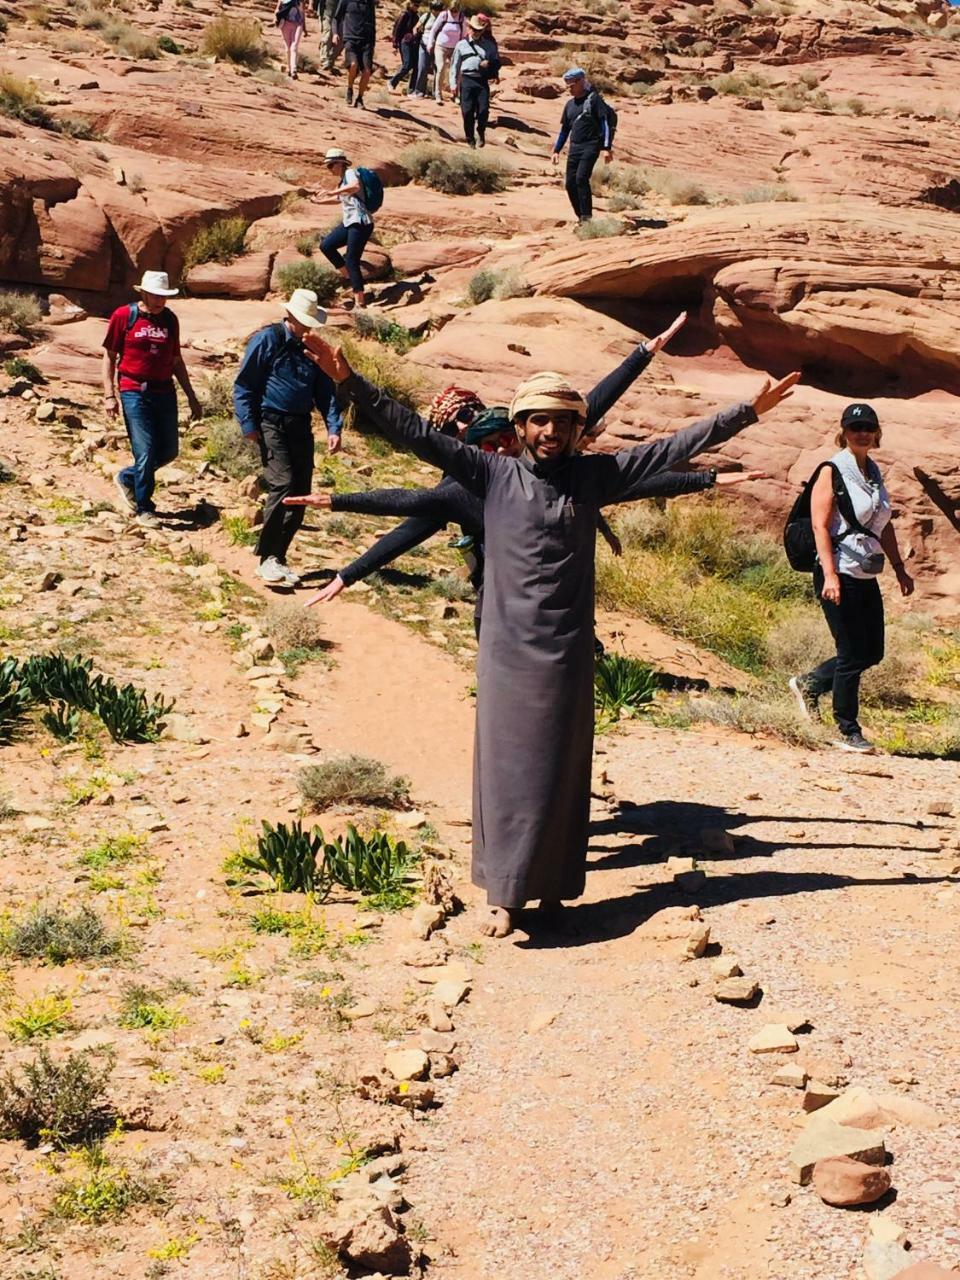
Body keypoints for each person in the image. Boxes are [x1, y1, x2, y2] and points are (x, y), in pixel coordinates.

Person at [302, 325, 800, 938]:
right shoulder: (490, 475)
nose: (551, 433)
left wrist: (746, 412)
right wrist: (348, 380)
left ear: (576, 429)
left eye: (563, 423)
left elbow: (670, 450)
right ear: (519, 428)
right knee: (509, 770)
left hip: (567, 654)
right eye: (539, 422)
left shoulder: (595, 478)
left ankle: (555, 890)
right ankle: (506, 895)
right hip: (508, 653)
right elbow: (414, 433)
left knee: (563, 774)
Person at [789, 403, 914, 754]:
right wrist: (829, 574)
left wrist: (900, 567)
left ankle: (809, 684)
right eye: (855, 426)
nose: (861, 432)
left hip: (864, 572)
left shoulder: (873, 472)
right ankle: (848, 729)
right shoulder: (831, 469)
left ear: (876, 433)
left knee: (872, 651)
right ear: (843, 431)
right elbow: (819, 525)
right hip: (838, 570)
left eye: (867, 427)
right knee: (850, 653)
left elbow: (882, 524)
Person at [232, 289, 343, 587]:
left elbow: (325, 392)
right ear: (291, 315)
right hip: (271, 421)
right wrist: (248, 423)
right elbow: (244, 384)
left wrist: (334, 427)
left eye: (311, 323)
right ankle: (266, 557)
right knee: (282, 483)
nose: (308, 328)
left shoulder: (313, 347)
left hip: (300, 424)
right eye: (304, 322)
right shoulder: (268, 340)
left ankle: (278, 557)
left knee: (301, 490)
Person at [102, 270, 202, 528]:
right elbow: (110, 357)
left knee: (168, 451)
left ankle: (127, 477)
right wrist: (109, 395)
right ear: (144, 293)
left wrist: (191, 396)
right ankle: (144, 507)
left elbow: (176, 360)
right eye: (155, 296)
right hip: (133, 390)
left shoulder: (170, 320)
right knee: (145, 451)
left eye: (164, 296)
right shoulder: (124, 316)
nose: (160, 301)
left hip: (164, 392)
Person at [551, 67, 615, 224]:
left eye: (572, 85)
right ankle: (581, 216)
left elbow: (604, 123)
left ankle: (587, 218)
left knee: (581, 179)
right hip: (575, 147)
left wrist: (606, 148)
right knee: (570, 183)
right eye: (567, 86)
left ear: (581, 82)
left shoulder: (594, 99)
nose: (570, 89)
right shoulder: (569, 105)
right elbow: (565, 129)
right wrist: (557, 150)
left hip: (590, 145)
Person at [313, 148, 374, 311]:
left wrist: (331, 191)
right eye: (328, 166)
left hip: (360, 222)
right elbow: (339, 199)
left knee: (352, 260)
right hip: (350, 222)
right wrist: (319, 202)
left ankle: (360, 303)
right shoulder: (342, 181)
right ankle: (351, 279)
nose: (330, 168)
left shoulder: (350, 174)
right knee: (326, 246)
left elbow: (354, 187)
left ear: (341, 163)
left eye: (331, 164)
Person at [451, 12, 499, 148]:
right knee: (467, 111)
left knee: (483, 110)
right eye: (474, 29)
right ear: (469, 28)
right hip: (466, 80)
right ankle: (470, 138)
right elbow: (454, 65)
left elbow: (497, 61)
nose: (476, 32)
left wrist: (490, 65)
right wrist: (453, 84)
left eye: (479, 30)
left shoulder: (489, 45)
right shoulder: (461, 45)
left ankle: (481, 131)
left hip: (482, 80)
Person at [332, 0, 376, 107]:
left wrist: (373, 42)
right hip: (350, 38)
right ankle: (350, 89)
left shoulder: (369, 3)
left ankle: (360, 98)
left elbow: (373, 23)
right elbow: (336, 18)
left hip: (367, 41)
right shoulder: (346, 1)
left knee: (366, 71)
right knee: (353, 65)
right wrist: (335, 33)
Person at [425, 0, 466, 104]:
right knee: (441, 68)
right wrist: (430, 44)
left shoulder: (461, 18)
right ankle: (438, 94)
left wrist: (462, 48)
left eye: (456, 10)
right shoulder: (444, 15)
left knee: (456, 71)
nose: (454, 12)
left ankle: (455, 94)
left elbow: (464, 33)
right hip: (441, 46)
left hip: (455, 48)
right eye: (452, 10)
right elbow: (434, 30)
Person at [409, 0, 441, 97]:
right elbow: (416, 27)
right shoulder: (426, 16)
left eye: (438, 9)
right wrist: (415, 32)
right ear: (431, 9)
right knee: (422, 67)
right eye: (435, 9)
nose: (436, 11)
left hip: (438, 46)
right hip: (424, 44)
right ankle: (419, 91)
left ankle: (436, 93)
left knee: (437, 69)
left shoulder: (442, 18)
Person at [389, 0, 420, 90]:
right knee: (407, 65)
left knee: (415, 66)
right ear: (410, 4)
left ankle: (412, 89)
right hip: (404, 42)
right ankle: (392, 82)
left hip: (413, 43)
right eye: (415, 5)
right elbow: (397, 29)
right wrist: (395, 44)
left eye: (418, 5)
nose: (416, 7)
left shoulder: (416, 16)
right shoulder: (404, 15)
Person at [275, 0, 307, 78]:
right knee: (287, 48)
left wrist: (305, 28)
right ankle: (290, 69)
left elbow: (302, 13)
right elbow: (277, 10)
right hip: (285, 24)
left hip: (298, 24)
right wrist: (276, 19)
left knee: (294, 47)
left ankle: (294, 70)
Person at [314, 0, 338, 71]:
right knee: (327, 36)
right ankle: (324, 60)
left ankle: (330, 59)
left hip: (337, 16)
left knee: (337, 41)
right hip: (326, 14)